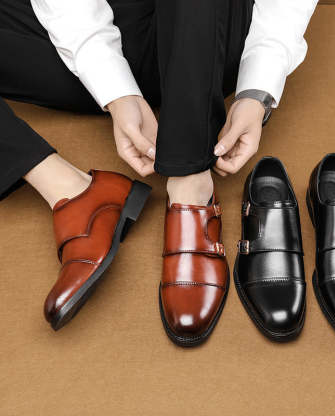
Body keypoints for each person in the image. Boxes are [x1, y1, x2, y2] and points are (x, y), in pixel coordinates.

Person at [0, 0, 318, 340]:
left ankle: (190, 186)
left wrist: (258, 88)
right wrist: (114, 89)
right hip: (82, 40)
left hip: (205, 29)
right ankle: (69, 189)